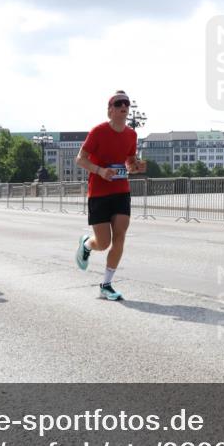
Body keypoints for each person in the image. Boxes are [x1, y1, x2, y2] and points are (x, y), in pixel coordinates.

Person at [74, 90, 146, 300]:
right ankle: (87, 244)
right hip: (98, 192)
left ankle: (106, 284)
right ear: (110, 110)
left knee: (120, 237)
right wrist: (100, 171)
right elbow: (80, 159)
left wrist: (135, 167)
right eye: (118, 103)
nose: (124, 106)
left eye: (126, 103)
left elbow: (129, 162)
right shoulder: (98, 132)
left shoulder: (131, 134)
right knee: (103, 243)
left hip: (121, 191)